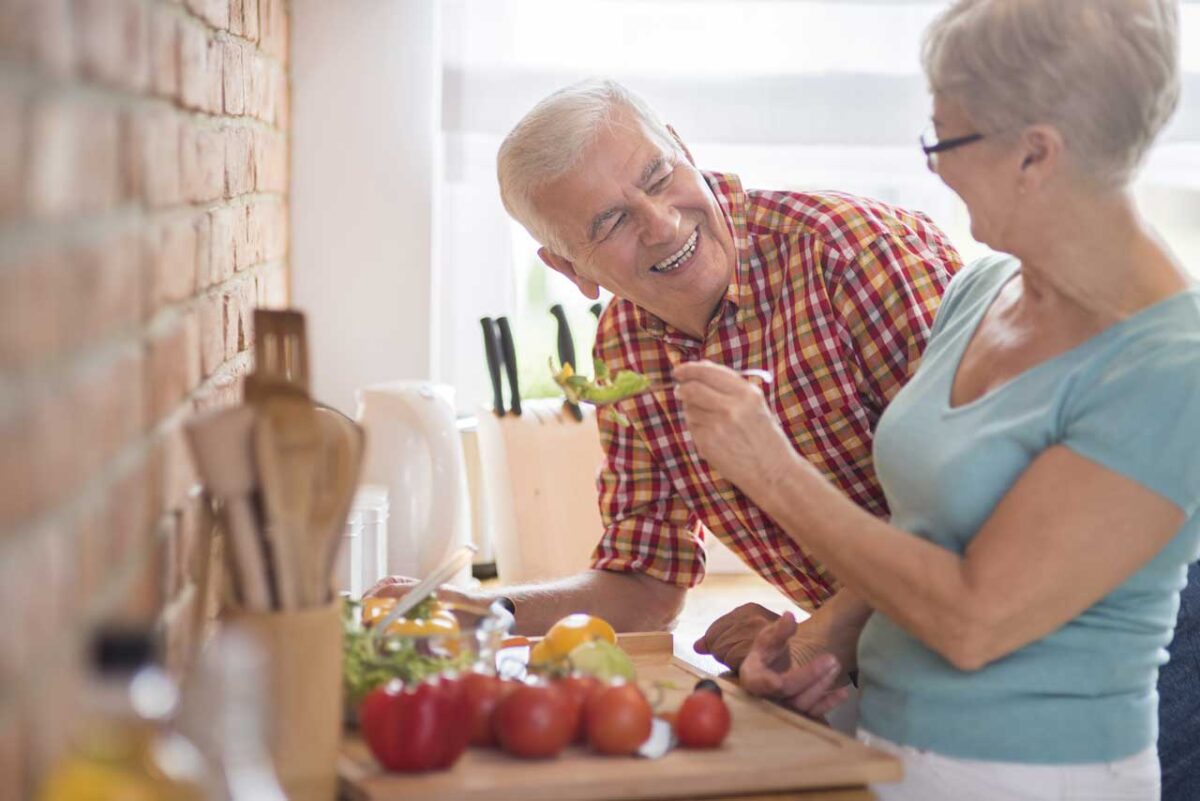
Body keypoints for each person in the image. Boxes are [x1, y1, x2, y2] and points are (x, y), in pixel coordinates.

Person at [674, 1, 1198, 798]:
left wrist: (771, 467)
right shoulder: (980, 289)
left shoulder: (1169, 366)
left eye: (945, 140)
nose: (936, 168)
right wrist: (819, 648)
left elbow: (972, 620)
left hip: (1038, 775)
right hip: (890, 744)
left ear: (1035, 154)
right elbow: (925, 532)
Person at [369, 79, 961, 660]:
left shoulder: (850, 255)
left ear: (684, 149)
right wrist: (476, 609)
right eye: (610, 223)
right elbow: (645, 588)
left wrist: (817, 639)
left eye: (657, 177)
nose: (662, 225)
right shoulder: (624, 348)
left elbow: (969, 511)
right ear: (571, 268)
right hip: (886, 666)